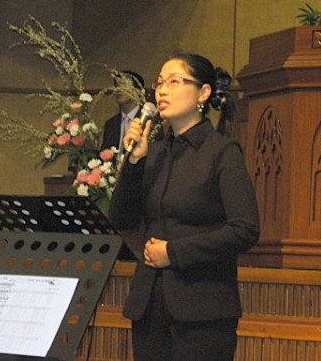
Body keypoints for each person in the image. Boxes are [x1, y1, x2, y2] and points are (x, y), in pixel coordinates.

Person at [109, 53, 260, 361]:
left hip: (202, 309)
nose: (162, 90)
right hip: (150, 304)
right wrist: (134, 163)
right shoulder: (154, 153)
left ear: (203, 93)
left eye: (174, 81)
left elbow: (245, 229)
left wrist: (173, 252)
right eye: (159, 83)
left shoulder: (222, 152)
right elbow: (121, 218)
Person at [100, 70, 145, 152]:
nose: (119, 90)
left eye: (124, 86)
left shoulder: (146, 121)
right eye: (117, 86)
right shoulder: (111, 124)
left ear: (138, 91)